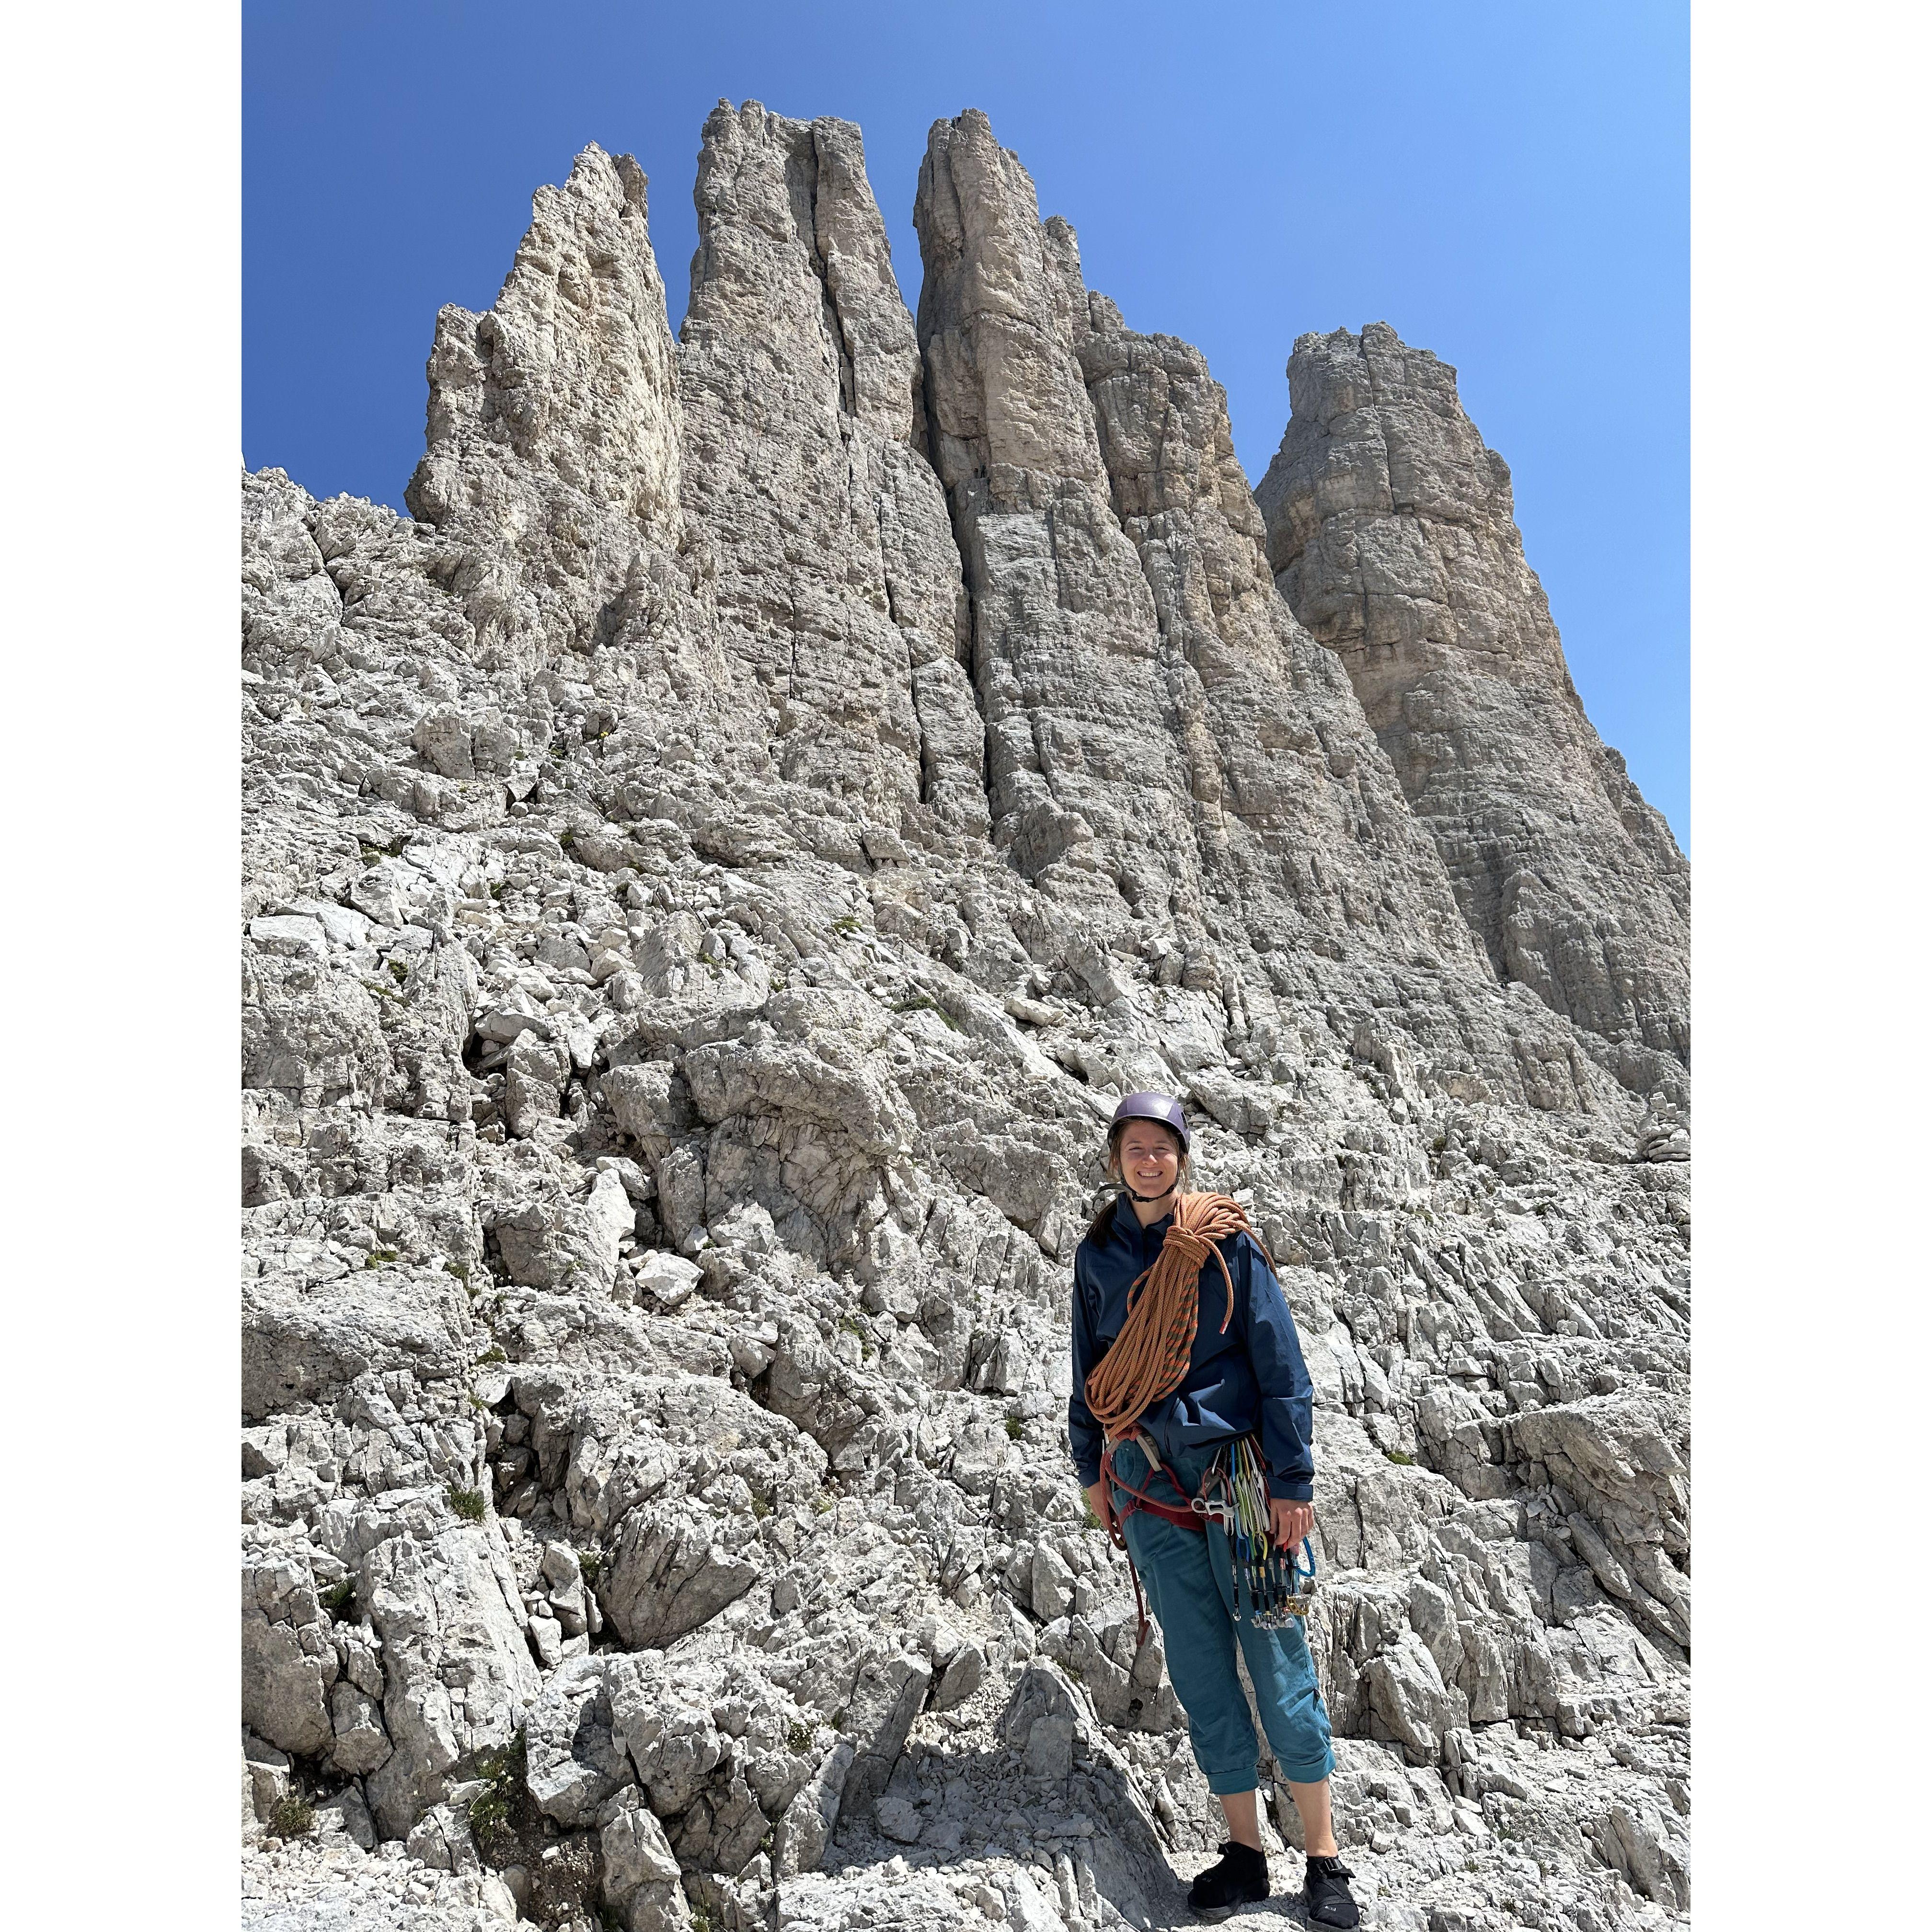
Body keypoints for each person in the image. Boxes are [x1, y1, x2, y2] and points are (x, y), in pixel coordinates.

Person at [1068, 1091, 1360, 1928]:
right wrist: (1092, 1468)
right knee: (1200, 1671)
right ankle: (1244, 1853)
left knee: (1279, 1662)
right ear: (1117, 1158)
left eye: (1163, 1147)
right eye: (1135, 1147)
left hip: (1239, 1479)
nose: (1149, 1159)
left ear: (1183, 1158)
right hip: (1149, 1485)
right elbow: (1088, 1370)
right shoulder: (1099, 1257)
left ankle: (1324, 1858)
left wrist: (1292, 1484)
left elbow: (1281, 1365)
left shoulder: (1227, 1245)